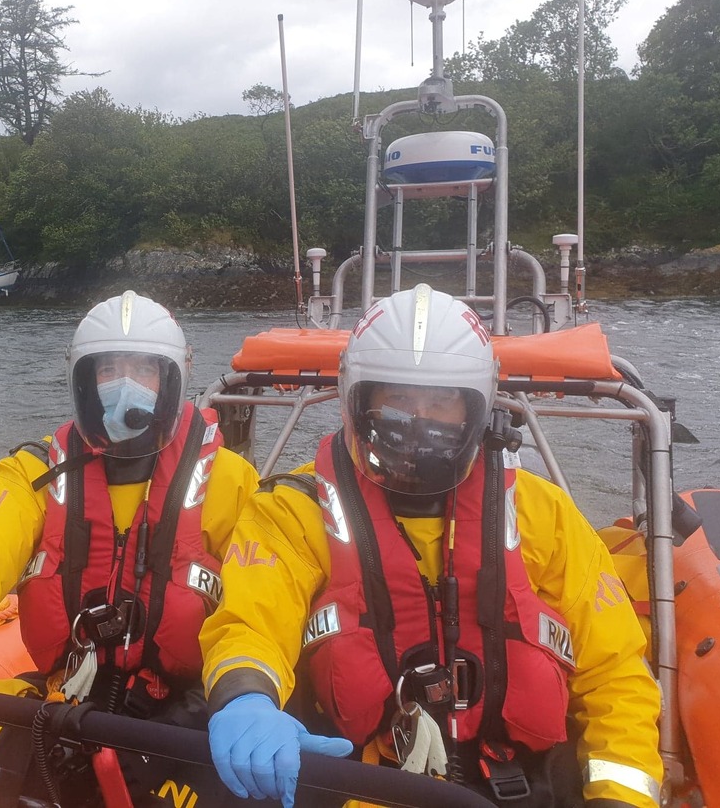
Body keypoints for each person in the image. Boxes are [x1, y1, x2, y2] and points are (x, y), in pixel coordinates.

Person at [200, 284, 664, 808]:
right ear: (359, 401)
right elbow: (250, 625)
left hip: (521, 784)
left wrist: (620, 797)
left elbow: (615, 673)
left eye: (441, 402)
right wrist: (245, 698)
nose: (418, 420)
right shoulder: (291, 512)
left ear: (477, 408)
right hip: (363, 783)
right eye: (396, 398)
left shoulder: (544, 515)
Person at [0, 290, 264, 801]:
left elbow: (259, 605)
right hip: (63, 700)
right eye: (108, 371)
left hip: (187, 713)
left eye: (143, 370)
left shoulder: (232, 482)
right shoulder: (33, 475)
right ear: (83, 380)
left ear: (173, 378)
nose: (125, 385)